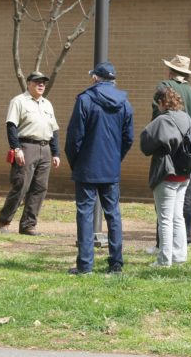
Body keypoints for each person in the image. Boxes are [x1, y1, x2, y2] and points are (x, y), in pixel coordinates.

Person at [64, 62, 134, 275]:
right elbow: (128, 138)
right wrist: (115, 159)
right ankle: (116, 264)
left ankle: (85, 265)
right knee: (113, 214)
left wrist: (76, 162)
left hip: (87, 167)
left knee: (85, 214)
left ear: (95, 78)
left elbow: (74, 138)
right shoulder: (124, 103)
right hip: (110, 169)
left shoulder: (85, 100)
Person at [0, 71, 61, 235]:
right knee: (20, 186)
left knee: (40, 188)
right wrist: (16, 148)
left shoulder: (47, 104)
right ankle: (4, 222)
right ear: (29, 83)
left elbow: (54, 130)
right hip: (26, 147)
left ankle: (28, 225)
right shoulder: (19, 101)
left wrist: (55, 153)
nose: (41, 85)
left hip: (45, 149)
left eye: (43, 83)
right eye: (37, 82)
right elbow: (11, 126)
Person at [140, 87, 191, 267]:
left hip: (167, 172)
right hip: (184, 173)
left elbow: (146, 144)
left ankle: (164, 260)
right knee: (178, 216)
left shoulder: (162, 120)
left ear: (162, 102)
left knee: (165, 218)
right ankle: (179, 255)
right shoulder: (186, 117)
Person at [153, 55, 191, 244]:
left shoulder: (164, 86)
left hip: (167, 149)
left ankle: (163, 244)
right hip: (189, 150)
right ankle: (185, 238)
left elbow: (155, 117)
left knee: (164, 200)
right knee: (185, 197)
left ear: (171, 71)